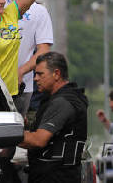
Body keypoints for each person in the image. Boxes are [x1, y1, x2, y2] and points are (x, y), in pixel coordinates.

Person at [19, 52, 88, 183]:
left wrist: (7, 135)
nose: (35, 78)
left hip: (56, 177)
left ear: (56, 73)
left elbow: (39, 140)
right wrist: (27, 127)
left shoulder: (62, 102)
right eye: (35, 74)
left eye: (40, 74)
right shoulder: (62, 99)